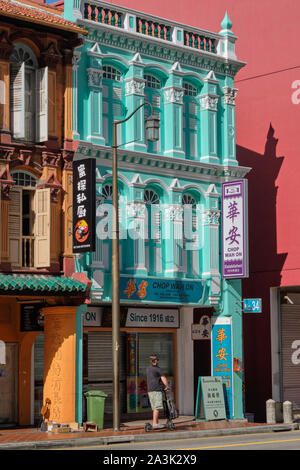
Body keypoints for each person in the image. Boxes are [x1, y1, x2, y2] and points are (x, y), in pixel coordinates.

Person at [146, 353, 169, 429]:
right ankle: (155, 424)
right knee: (157, 408)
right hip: (156, 390)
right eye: (157, 360)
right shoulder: (158, 369)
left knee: (154, 408)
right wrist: (167, 386)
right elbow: (163, 378)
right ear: (155, 361)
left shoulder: (148, 369)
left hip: (150, 390)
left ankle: (155, 422)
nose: (158, 361)